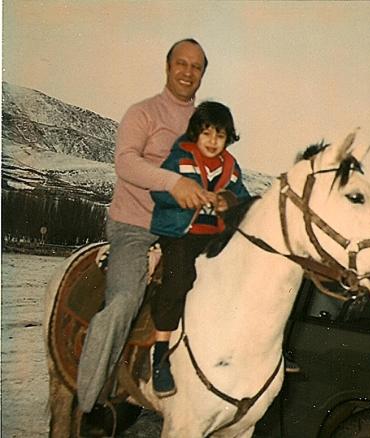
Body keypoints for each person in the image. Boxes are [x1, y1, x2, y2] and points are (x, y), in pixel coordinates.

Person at [77, 38, 212, 413]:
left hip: (182, 230)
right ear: (168, 67)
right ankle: (87, 402)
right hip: (135, 225)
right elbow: (125, 164)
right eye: (181, 64)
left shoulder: (205, 124)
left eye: (196, 66)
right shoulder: (143, 113)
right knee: (122, 302)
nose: (188, 72)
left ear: (202, 75)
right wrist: (174, 183)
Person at [149, 101, 250, 396]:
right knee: (178, 281)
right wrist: (183, 194)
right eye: (207, 134)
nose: (212, 141)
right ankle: (160, 357)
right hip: (181, 233)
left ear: (228, 138)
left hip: (213, 238)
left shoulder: (231, 168)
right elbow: (158, 188)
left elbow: (241, 200)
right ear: (196, 133)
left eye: (220, 135)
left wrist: (228, 202)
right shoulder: (180, 157)